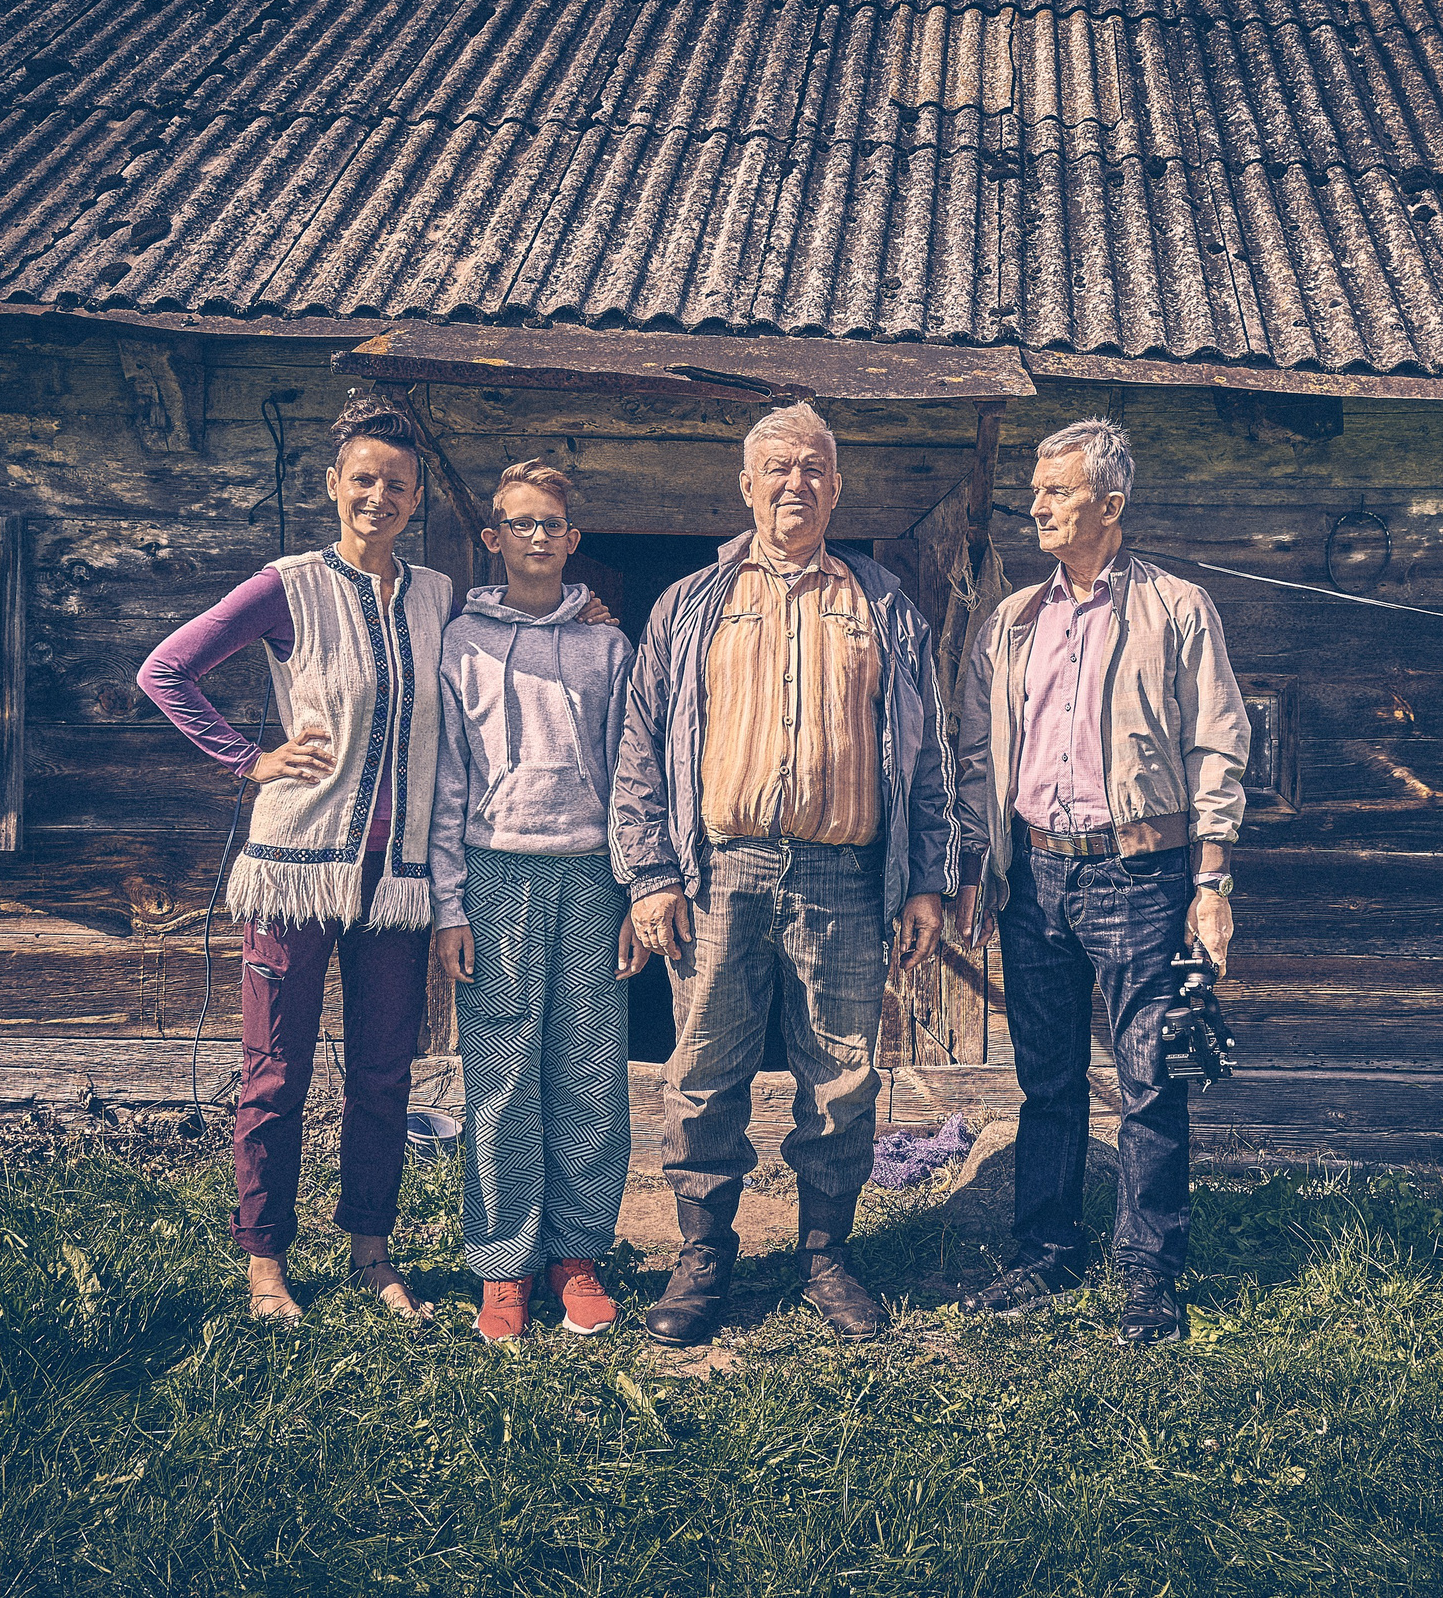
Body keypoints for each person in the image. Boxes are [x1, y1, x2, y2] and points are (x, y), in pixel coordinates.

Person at [613, 401, 956, 1346]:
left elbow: (926, 759)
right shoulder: (691, 603)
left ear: (837, 489)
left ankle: (824, 1253)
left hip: (845, 873)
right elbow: (641, 747)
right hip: (720, 869)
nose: (796, 482)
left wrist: (926, 876)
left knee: (842, 1076)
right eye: (779, 468)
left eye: (814, 468)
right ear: (747, 485)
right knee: (703, 1070)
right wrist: (649, 876)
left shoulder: (883, 604)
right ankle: (703, 1254)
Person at [138, 396, 450, 1323]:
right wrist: (250, 756)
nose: (378, 495)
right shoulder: (287, 585)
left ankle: (371, 1249)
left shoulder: (436, 596)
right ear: (332, 485)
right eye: (363, 478)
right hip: (296, 867)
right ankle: (266, 1260)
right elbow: (166, 669)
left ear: (418, 495)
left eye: (396, 483)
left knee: (384, 1073)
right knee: (275, 1071)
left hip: (395, 882)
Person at [947, 417, 1251, 1345]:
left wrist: (1213, 882)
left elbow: (1218, 745)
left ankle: (1148, 1271)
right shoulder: (1012, 621)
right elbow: (975, 749)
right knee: (1048, 1080)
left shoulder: (1177, 608)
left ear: (1110, 505)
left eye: (1058, 491)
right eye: (1034, 491)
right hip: (1035, 873)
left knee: (1150, 1079)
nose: (1036, 505)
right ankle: (1046, 1253)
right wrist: (976, 859)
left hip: (1141, 875)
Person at [428, 461, 646, 1345]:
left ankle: (578, 1257)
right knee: (501, 1077)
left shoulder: (607, 647)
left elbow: (636, 774)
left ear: (574, 538)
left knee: (590, 1068)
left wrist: (638, 888)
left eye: (553, 523)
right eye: (521, 522)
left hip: (591, 873)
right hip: (494, 873)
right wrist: (449, 904)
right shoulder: (461, 644)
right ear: (494, 538)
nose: (538, 537)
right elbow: (445, 779)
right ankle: (504, 1267)